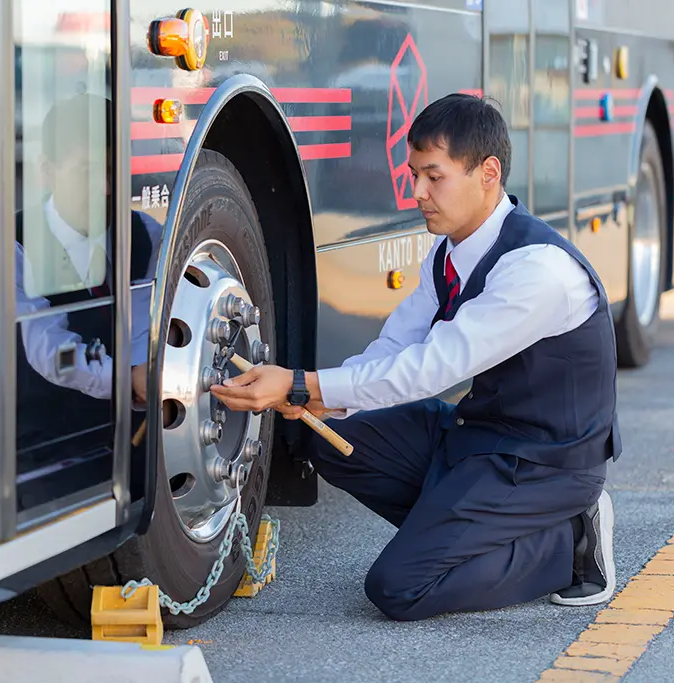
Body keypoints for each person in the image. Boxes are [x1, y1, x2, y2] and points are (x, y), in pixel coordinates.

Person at [210, 93, 621, 621]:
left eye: (434, 176)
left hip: (544, 464)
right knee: (327, 435)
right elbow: (395, 346)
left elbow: (433, 368)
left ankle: (569, 542)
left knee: (398, 587)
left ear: (487, 173)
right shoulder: (449, 251)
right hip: (479, 439)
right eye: (414, 175)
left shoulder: (537, 272)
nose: (418, 192)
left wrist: (299, 384)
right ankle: (456, 534)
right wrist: (317, 400)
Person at [0, 92, 159, 463]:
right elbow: (45, 351)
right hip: (23, 456)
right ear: (46, 171)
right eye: (88, 171)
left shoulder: (143, 235)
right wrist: (130, 379)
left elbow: (142, 334)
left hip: (120, 442)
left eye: (114, 171)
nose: (107, 190)